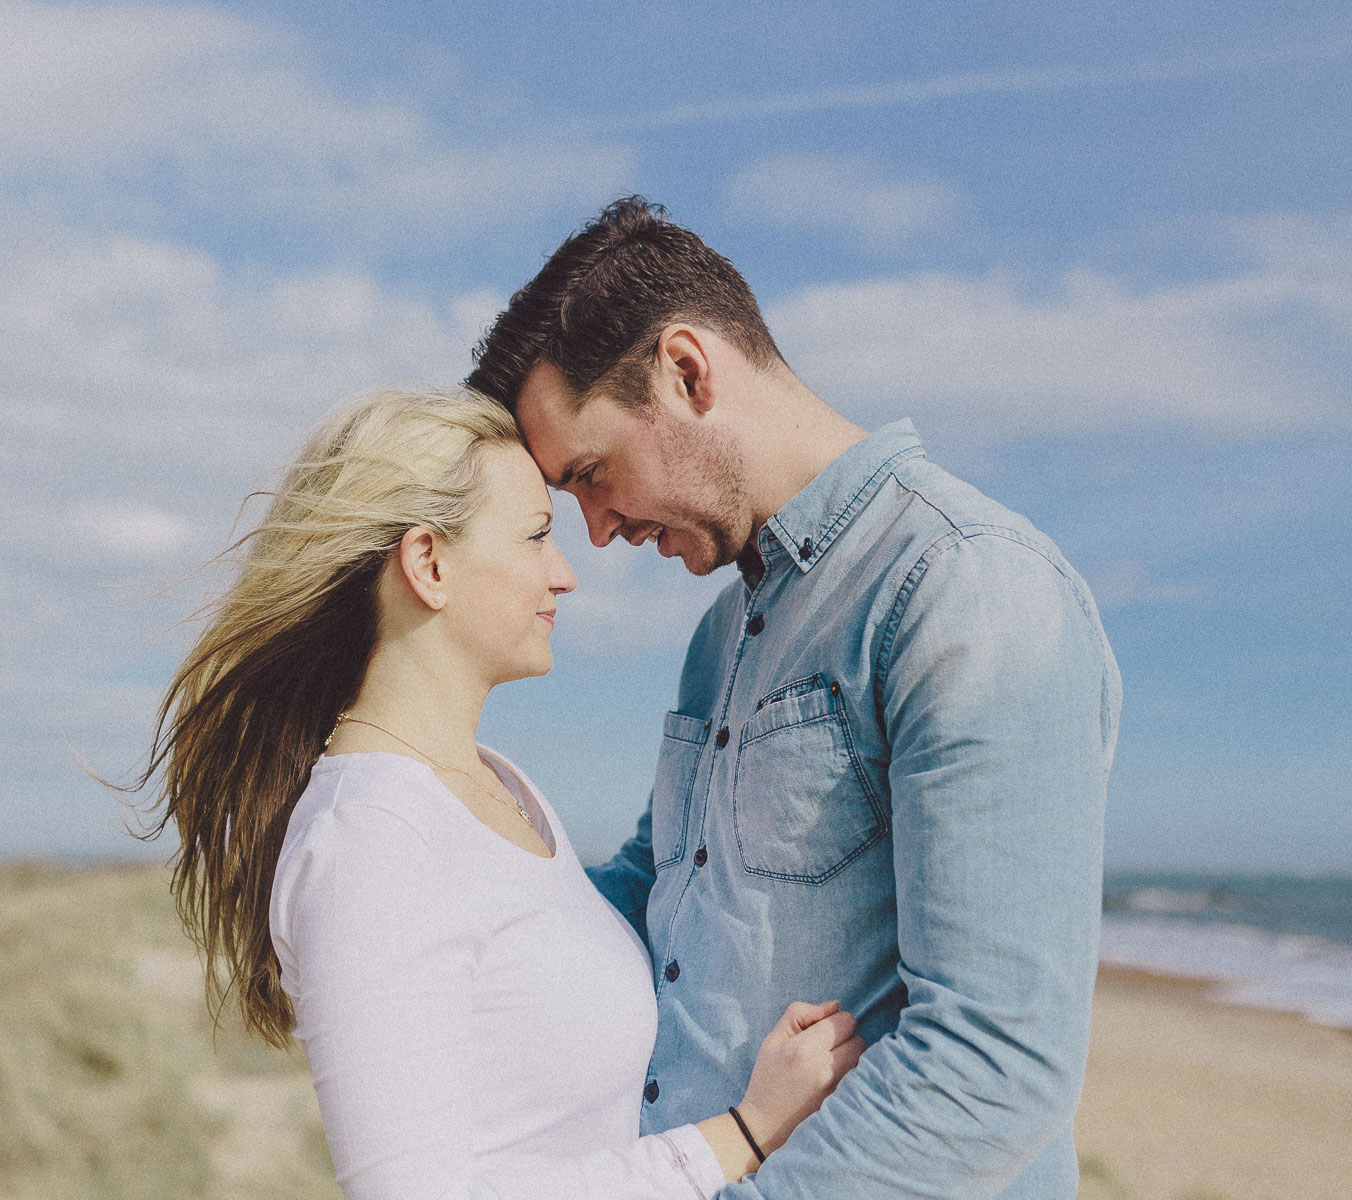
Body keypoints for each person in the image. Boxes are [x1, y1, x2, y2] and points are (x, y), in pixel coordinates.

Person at [466, 198, 1123, 1200]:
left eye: (592, 474)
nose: (595, 531)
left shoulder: (967, 586)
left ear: (687, 372)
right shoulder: (722, 633)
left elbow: (995, 1064)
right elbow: (659, 890)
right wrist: (435, 914)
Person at [132, 390, 866, 1200]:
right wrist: (744, 1133)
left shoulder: (500, 787)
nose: (565, 573)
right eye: (536, 535)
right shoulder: (369, 841)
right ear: (429, 564)